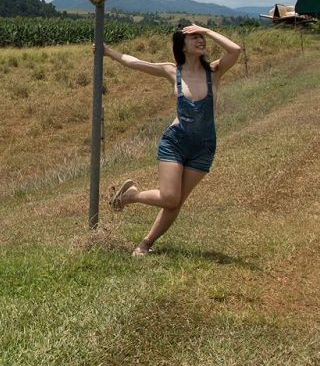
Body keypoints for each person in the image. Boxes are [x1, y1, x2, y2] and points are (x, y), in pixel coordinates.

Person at [103, 23, 241, 257]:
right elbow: (134, 62)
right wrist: (108, 52)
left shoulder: (215, 71)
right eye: (194, 37)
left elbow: (235, 50)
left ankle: (145, 243)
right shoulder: (172, 70)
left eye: (201, 37)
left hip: (204, 147)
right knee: (169, 197)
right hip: (175, 142)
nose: (200, 41)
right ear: (182, 45)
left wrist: (206, 30)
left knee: (175, 202)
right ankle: (132, 196)